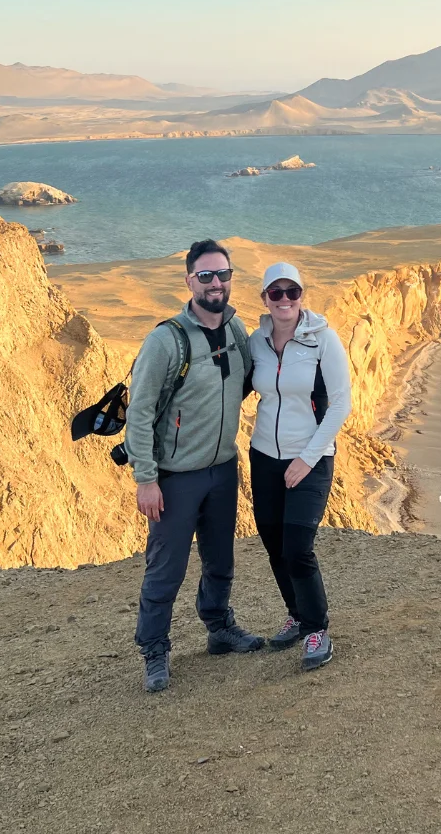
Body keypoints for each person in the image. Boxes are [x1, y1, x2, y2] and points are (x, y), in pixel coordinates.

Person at [126, 239, 265, 693]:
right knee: (166, 568)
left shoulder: (236, 329)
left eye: (222, 274)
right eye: (205, 276)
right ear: (189, 281)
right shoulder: (165, 340)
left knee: (220, 559)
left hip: (223, 468)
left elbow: (248, 378)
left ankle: (219, 627)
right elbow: (140, 413)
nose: (215, 283)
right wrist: (146, 479)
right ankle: (154, 651)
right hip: (176, 478)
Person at [248, 262, 352, 670]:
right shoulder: (256, 342)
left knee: (297, 548)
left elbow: (341, 403)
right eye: (277, 293)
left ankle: (316, 630)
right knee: (274, 546)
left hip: (310, 458)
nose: (285, 300)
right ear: (265, 299)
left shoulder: (323, 339)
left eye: (293, 292)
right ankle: (296, 612)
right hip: (263, 456)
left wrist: (306, 459)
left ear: (302, 296)